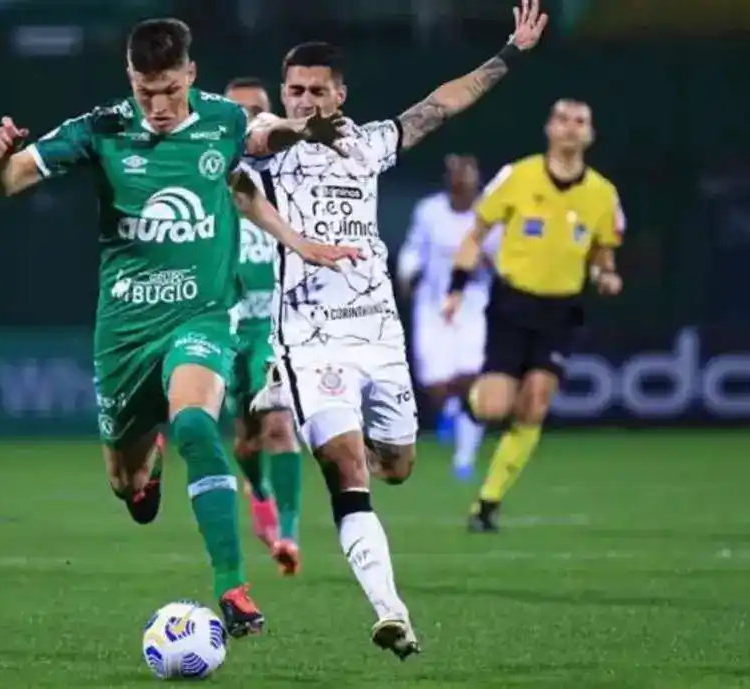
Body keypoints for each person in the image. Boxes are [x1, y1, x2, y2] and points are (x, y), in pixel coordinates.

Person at [0, 18, 357, 636]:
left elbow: (260, 145)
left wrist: (303, 138)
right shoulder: (100, 129)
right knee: (124, 485)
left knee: (196, 424)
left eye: (170, 91)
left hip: (200, 316)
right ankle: (143, 469)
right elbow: (5, 183)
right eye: (145, 92)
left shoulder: (221, 120)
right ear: (130, 78)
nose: (157, 107)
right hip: (125, 333)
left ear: (191, 74)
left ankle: (232, 588)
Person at [243, 0, 548, 658]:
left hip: (379, 336)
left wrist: (509, 53)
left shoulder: (370, 143)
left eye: (316, 91)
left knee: (398, 466)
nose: (302, 100)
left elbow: (441, 104)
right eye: (294, 89)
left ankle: (307, 410)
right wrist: (293, 126)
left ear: (340, 94)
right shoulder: (270, 144)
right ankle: (392, 612)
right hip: (312, 337)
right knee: (349, 469)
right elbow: (260, 138)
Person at [443, 98, 625, 533]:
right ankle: (469, 406)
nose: (570, 127)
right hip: (512, 303)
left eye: (580, 121)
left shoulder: (603, 194)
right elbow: (476, 234)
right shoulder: (518, 176)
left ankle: (487, 504)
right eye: (562, 119)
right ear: (549, 128)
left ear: (590, 134)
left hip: (561, 309)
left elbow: (603, 253)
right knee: (495, 407)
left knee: (535, 403)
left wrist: (605, 275)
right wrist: (456, 289)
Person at [222, 76, 305, 576]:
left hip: (273, 329)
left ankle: (288, 535)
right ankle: (258, 490)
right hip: (225, 328)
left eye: (256, 111)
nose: (248, 120)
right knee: (247, 440)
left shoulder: (292, 172)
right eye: (238, 112)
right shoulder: (208, 174)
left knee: (278, 425)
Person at [395, 154, 489, 480]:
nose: (460, 180)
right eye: (455, 173)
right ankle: (449, 410)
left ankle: (465, 456)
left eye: (466, 173)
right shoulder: (429, 211)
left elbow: (504, 254)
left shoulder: (489, 212)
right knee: (436, 384)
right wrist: (407, 273)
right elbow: (413, 248)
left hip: (474, 306)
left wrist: (488, 261)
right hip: (432, 306)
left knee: (471, 378)